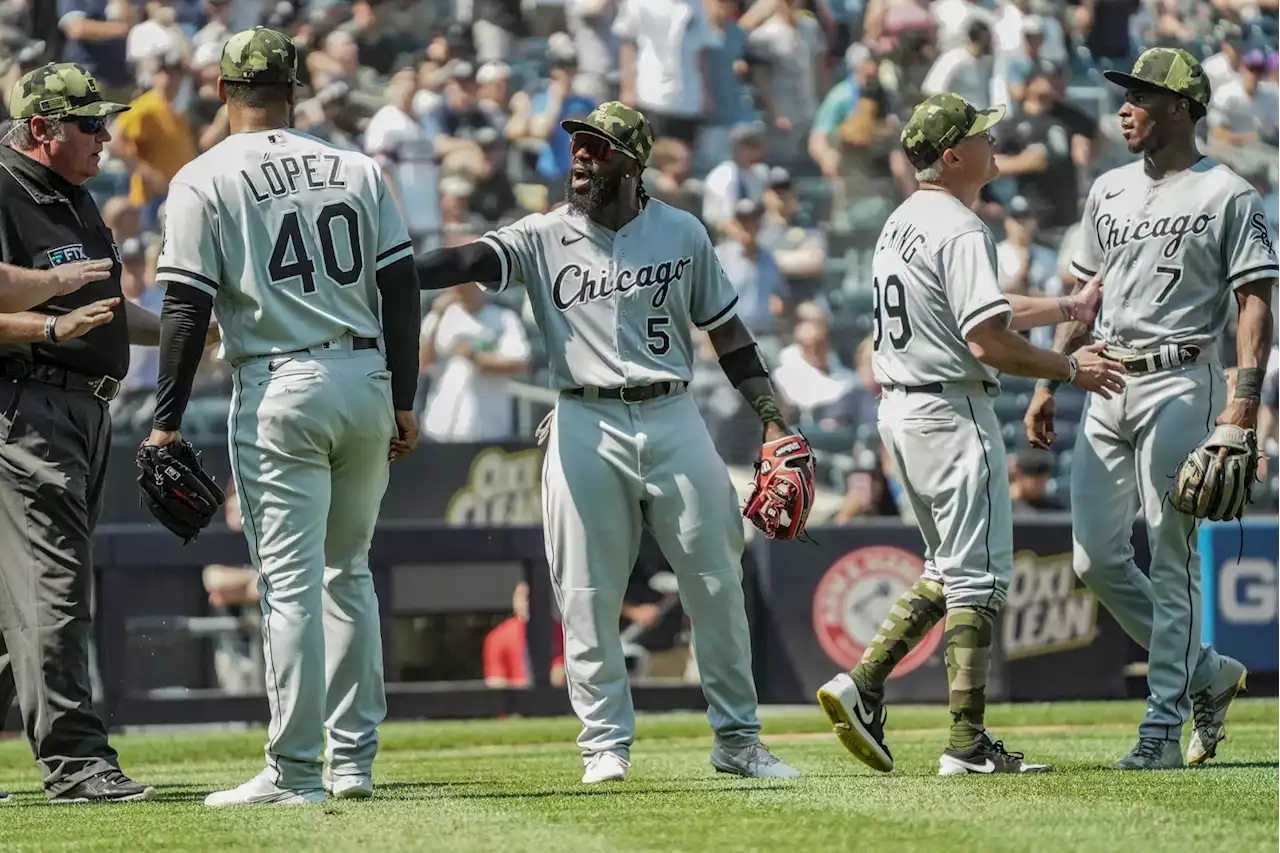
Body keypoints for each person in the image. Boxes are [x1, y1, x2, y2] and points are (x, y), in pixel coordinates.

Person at [415, 102, 800, 784]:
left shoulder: (681, 232)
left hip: (673, 411)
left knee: (715, 580)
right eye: (578, 146)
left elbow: (730, 336)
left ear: (633, 160)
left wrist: (771, 415)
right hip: (583, 417)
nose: (582, 157)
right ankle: (604, 745)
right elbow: (473, 256)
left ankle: (738, 740)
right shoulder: (542, 234)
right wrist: (397, 269)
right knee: (585, 589)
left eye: (597, 146)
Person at [145, 27, 422, 806]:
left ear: (222, 88)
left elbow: (187, 304)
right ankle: (354, 761)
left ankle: (296, 771)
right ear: (294, 88)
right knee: (350, 575)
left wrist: (165, 421)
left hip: (280, 383)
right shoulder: (357, 166)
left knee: (290, 586)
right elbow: (402, 285)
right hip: (364, 374)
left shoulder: (204, 176)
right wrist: (404, 397)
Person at [815, 92, 1125, 776]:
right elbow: (985, 339)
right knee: (978, 577)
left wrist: (1067, 306)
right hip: (951, 409)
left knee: (947, 568)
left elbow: (979, 305)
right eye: (982, 134)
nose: (995, 143)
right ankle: (966, 742)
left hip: (904, 408)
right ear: (953, 155)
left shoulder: (905, 219)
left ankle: (862, 681)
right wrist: (1070, 365)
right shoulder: (959, 225)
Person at [1023, 48, 1268, 770]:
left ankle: (1162, 723)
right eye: (1125, 94)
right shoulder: (1106, 190)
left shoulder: (1228, 193)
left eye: (1142, 95)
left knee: (1171, 552)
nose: (1125, 106)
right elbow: (1082, 296)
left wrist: (1242, 405)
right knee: (1094, 557)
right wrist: (1047, 381)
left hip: (1182, 377)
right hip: (1106, 377)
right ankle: (1206, 671)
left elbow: (1256, 300)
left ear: (1183, 107)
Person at [0, 61, 180, 805]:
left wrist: (190, 330)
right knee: (55, 587)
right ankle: (75, 763)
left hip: (82, 409)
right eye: (89, 123)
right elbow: (55, 305)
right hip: (27, 405)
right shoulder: (5, 189)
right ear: (41, 129)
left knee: (18, 602)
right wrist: (47, 319)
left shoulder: (74, 198)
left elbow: (112, 307)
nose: (107, 136)